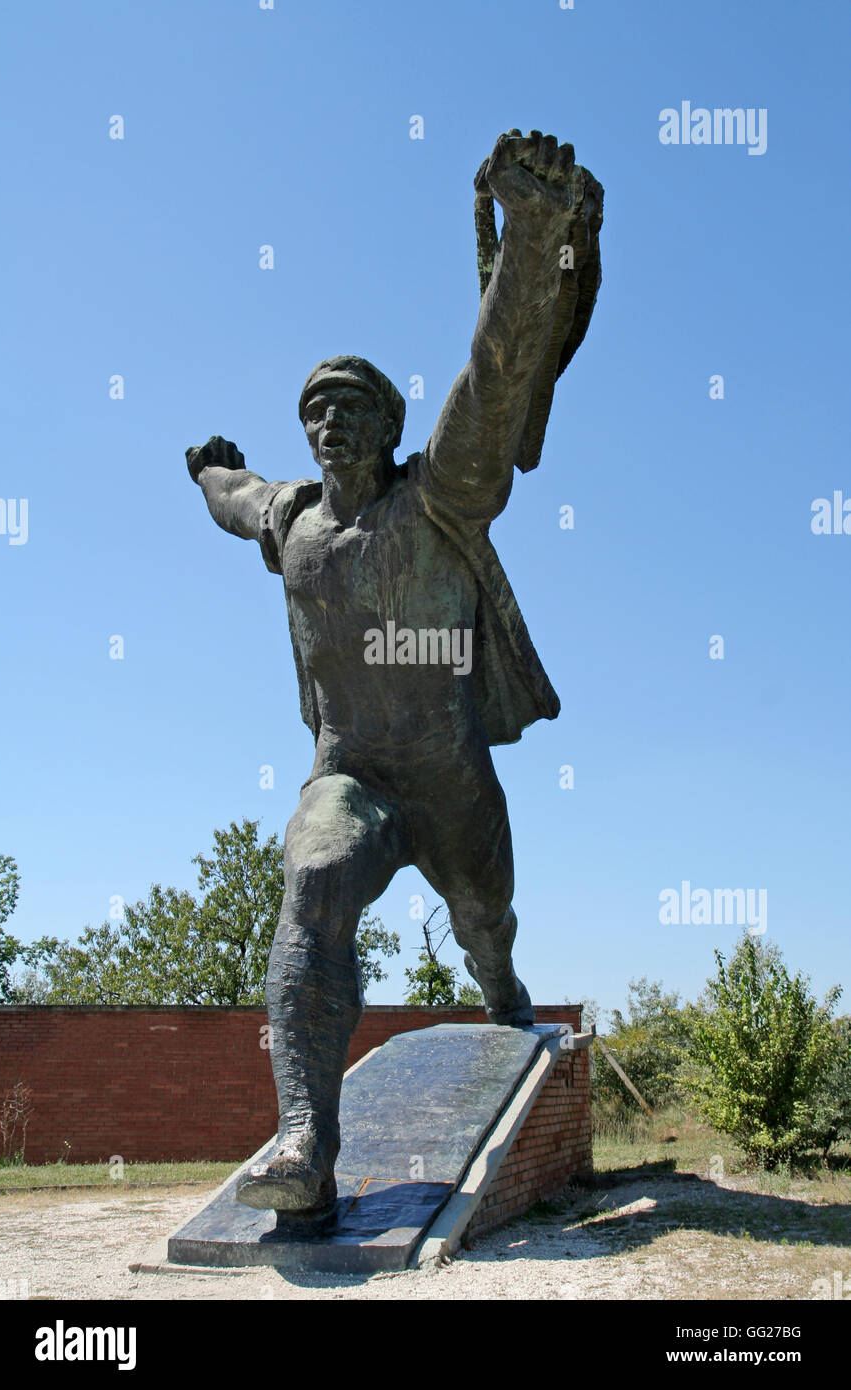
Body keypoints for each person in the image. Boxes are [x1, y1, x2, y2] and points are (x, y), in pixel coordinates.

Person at [186, 130, 601, 1215]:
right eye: (314, 410)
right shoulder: (292, 520)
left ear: (390, 426)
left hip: (452, 780)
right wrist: (207, 469)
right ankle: (304, 1144)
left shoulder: (439, 497)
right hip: (353, 776)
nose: (329, 422)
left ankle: (501, 990)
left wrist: (527, 234)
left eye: (352, 406)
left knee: (486, 932)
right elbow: (236, 502)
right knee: (313, 885)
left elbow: (495, 379)